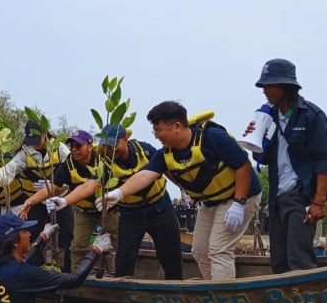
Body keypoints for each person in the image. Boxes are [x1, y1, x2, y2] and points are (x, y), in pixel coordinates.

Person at [95, 102, 262, 281]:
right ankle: (211, 289)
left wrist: (239, 203)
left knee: (219, 249)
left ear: (176, 127)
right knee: (199, 250)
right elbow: (144, 175)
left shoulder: (212, 137)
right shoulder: (165, 154)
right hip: (211, 201)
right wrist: (118, 193)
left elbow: (243, 165)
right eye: (155, 131)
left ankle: (224, 299)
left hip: (240, 195)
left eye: (159, 130)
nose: (157, 136)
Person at [46, 124, 183, 280]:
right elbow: (90, 185)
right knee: (124, 256)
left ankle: (177, 290)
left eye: (114, 144)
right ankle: (122, 295)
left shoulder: (144, 150)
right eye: (107, 146)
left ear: (126, 139)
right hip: (130, 212)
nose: (111, 149)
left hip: (160, 207)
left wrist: (182, 187)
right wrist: (64, 201)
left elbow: (165, 169)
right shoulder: (103, 160)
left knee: (170, 252)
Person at [244, 58, 327, 273]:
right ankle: (284, 302)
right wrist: (254, 140)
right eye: (264, 86)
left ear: (287, 87)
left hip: (301, 194)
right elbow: (263, 158)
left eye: (271, 85)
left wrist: (319, 202)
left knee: (299, 258)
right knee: (278, 260)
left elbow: (326, 158)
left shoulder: (312, 115)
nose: (266, 90)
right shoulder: (269, 117)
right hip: (277, 196)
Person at [0, 213, 112, 303]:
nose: (29, 234)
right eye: (25, 231)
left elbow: (22, 263)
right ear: (14, 241)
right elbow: (74, 280)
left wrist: (43, 236)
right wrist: (96, 250)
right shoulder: (23, 274)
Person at [19, 129, 119, 272]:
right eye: (71, 146)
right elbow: (52, 186)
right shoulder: (68, 164)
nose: (74, 150)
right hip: (85, 211)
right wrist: (31, 201)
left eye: (78, 146)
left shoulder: (101, 162)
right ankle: (76, 276)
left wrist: (64, 201)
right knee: (76, 246)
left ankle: (117, 276)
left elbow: (89, 187)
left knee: (116, 243)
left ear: (89, 146)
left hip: (108, 210)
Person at [0, 120, 74, 271]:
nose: (35, 145)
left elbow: (72, 170)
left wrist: (55, 188)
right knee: (30, 233)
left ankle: (66, 271)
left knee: (66, 234)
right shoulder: (25, 152)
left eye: (38, 140)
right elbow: (12, 167)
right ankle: (32, 269)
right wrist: (0, 177)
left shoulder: (60, 148)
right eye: (32, 141)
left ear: (45, 134)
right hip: (36, 200)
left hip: (61, 198)